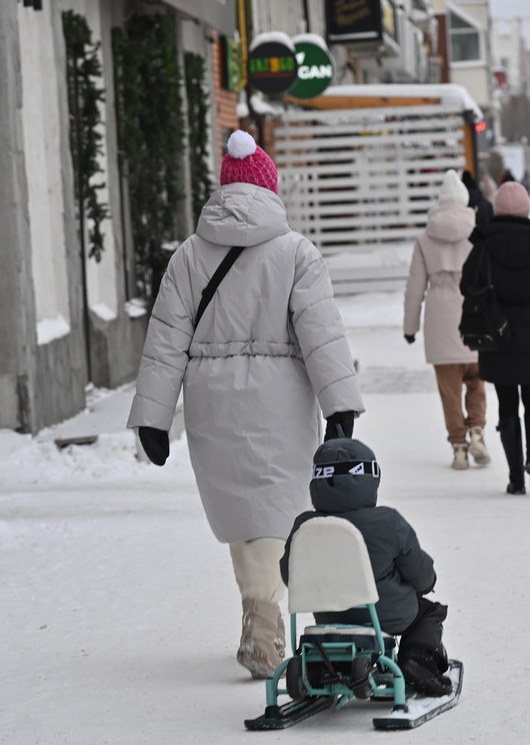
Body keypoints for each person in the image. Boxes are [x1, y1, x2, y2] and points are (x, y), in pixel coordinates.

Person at [128, 130, 365, 679]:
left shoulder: (189, 256)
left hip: (211, 401)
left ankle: (258, 615)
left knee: (241, 512)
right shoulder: (297, 253)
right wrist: (339, 407)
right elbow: (321, 335)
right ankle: (263, 620)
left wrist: (154, 418)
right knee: (273, 511)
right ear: (270, 190)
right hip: (282, 401)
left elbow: (166, 339)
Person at [281, 436, 452, 697]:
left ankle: (327, 667)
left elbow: (289, 575)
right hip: (383, 614)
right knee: (428, 613)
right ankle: (418, 661)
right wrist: (427, 583)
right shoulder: (388, 522)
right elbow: (420, 574)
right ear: (369, 479)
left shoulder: (305, 526)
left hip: (329, 615)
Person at [461, 181, 530, 495]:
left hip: (497, 335)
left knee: (507, 403)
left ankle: (515, 478)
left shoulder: (483, 245)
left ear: (497, 209)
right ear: (526, 209)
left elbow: (466, 286)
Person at [404, 170, 490, 471]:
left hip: (440, 320)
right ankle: (477, 431)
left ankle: (458, 449)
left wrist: (410, 328)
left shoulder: (425, 238)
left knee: (450, 391)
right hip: (474, 318)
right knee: (477, 383)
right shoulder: (479, 232)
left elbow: (415, 287)